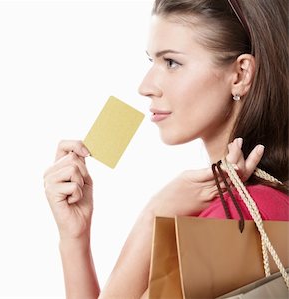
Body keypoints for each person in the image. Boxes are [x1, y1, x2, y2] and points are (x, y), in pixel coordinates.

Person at [42, 0, 289, 297]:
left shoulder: (234, 221)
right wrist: (74, 237)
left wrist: (154, 213)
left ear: (240, 74)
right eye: (152, 62)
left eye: (171, 62)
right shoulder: (251, 206)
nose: (146, 86)